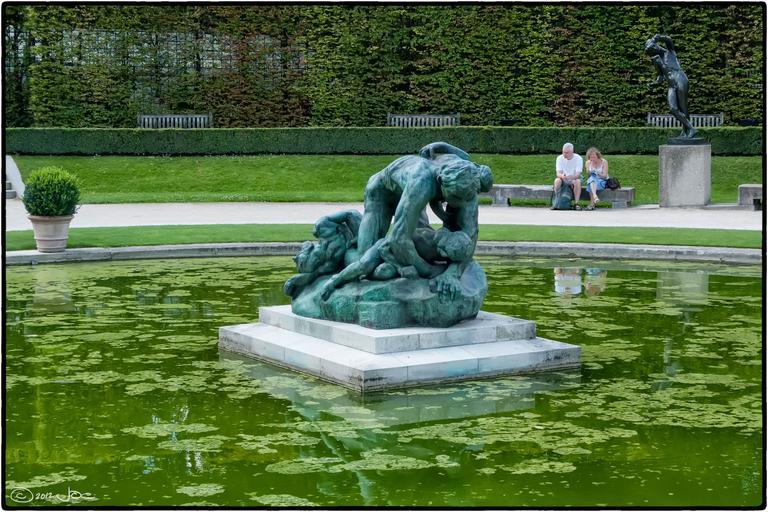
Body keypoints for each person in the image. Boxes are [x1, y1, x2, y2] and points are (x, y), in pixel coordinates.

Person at [348, 141, 493, 302]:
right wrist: (429, 271)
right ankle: (347, 234)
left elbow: (470, 234)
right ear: (440, 181)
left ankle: (392, 264)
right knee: (364, 262)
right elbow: (399, 239)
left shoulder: (468, 180)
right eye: (455, 197)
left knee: (421, 247)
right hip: (384, 192)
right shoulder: (421, 183)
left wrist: (452, 273)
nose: (460, 203)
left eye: (464, 198)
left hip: (415, 197)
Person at [645, 34, 697, 140]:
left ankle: (686, 131)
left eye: (653, 48)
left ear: (656, 46)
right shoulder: (656, 60)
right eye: (651, 51)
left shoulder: (669, 51)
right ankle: (691, 129)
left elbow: (668, 39)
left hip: (680, 79)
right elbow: (660, 77)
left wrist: (658, 37)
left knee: (683, 107)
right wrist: (654, 83)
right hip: (671, 85)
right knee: (673, 109)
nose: (653, 52)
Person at [554, 142, 584, 209]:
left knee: (577, 181)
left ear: (572, 152)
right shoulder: (559, 158)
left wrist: (572, 178)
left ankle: (576, 204)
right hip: (563, 178)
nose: (564, 154)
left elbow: (578, 174)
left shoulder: (578, 158)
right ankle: (556, 202)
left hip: (575, 178)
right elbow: (558, 173)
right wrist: (562, 176)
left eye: (566, 153)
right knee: (557, 180)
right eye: (563, 152)